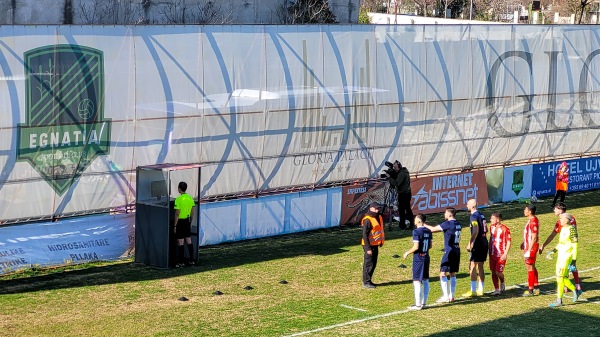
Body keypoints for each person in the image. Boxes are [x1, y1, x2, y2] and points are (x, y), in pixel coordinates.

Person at [539, 202, 582, 294]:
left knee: (569, 266)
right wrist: (544, 245)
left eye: (555, 208)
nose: (553, 210)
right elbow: (553, 235)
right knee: (567, 267)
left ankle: (575, 286)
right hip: (565, 248)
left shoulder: (567, 220)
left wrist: (543, 245)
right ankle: (571, 285)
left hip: (568, 249)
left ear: (560, 209)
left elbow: (555, 235)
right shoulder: (564, 220)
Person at [425, 207, 462, 303]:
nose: (444, 215)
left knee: (442, 273)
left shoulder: (448, 224)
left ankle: (445, 296)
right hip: (457, 250)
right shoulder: (458, 224)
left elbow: (433, 229)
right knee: (452, 273)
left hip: (449, 251)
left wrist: (423, 224)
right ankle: (452, 296)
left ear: (450, 214)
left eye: (445, 213)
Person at [547, 213, 580, 307]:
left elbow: (575, 246)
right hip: (560, 256)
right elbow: (561, 243)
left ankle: (561, 299)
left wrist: (574, 260)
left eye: (561, 218)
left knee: (560, 277)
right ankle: (572, 292)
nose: (560, 220)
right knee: (560, 277)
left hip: (567, 257)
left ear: (567, 220)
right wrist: (553, 251)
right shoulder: (563, 229)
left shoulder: (572, 229)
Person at [403, 214, 433, 310]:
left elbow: (416, 247)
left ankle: (417, 304)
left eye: (415, 219)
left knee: (417, 280)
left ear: (419, 221)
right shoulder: (428, 231)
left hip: (419, 258)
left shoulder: (416, 232)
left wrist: (407, 252)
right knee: (425, 279)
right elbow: (430, 246)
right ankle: (424, 303)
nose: (414, 220)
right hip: (426, 257)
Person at [463, 199, 489, 297]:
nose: (466, 205)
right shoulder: (481, 215)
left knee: (473, 265)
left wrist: (470, 242)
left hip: (477, 243)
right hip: (484, 241)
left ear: (472, 206)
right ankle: (481, 289)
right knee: (481, 266)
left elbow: (475, 230)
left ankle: (473, 290)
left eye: (468, 204)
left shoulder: (473, 216)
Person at [361, 202, 385, 289]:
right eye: (376, 208)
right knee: (368, 263)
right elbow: (365, 235)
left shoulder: (378, 217)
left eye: (378, 208)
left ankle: (369, 280)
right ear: (371, 208)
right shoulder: (367, 220)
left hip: (375, 244)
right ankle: (366, 281)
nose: (377, 210)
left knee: (373, 263)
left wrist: (381, 241)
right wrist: (368, 248)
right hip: (369, 246)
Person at [173, 181, 196, 267]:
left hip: (180, 222)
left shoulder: (178, 200)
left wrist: (175, 225)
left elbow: (177, 214)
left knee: (180, 242)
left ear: (179, 189)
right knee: (189, 241)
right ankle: (192, 260)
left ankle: (181, 262)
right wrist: (191, 222)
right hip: (187, 221)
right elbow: (192, 212)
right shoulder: (190, 198)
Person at [488, 212, 511, 295]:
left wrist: (505, 254)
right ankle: (497, 289)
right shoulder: (491, 227)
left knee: (498, 272)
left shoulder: (505, 229)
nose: (490, 220)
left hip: (501, 255)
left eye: (492, 218)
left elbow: (508, 242)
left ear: (497, 219)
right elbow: (491, 238)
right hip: (492, 254)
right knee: (493, 271)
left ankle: (502, 282)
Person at [386, 161, 413, 229]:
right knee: (403, 209)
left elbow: (397, 183)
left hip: (404, 194)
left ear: (398, 166)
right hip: (404, 193)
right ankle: (405, 224)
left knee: (405, 209)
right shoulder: (402, 172)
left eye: (394, 166)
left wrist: (389, 177)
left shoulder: (402, 174)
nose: (393, 167)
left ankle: (407, 225)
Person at [521, 204, 540, 296]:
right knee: (532, 266)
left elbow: (534, 237)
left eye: (525, 210)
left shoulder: (533, 221)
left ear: (530, 211)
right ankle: (536, 286)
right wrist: (523, 243)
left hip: (531, 247)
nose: (524, 211)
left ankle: (530, 290)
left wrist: (529, 249)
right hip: (528, 246)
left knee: (530, 268)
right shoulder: (531, 220)